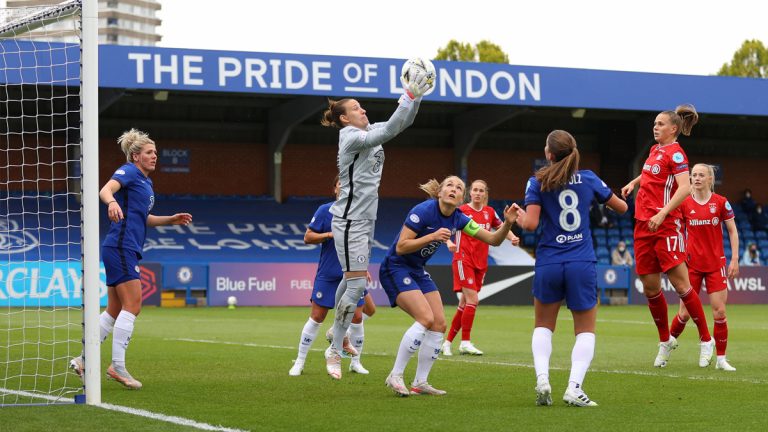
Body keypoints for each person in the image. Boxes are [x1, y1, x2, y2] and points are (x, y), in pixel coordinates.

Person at [320, 69, 431, 380]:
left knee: (350, 279)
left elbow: (402, 122)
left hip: (366, 220)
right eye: (356, 108)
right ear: (344, 119)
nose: (363, 110)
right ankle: (334, 349)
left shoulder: (366, 128)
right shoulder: (351, 137)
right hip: (348, 220)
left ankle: (336, 331)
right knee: (356, 285)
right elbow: (388, 131)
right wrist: (408, 95)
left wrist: (416, 96)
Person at [70, 129, 192, 389]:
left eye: (156, 152)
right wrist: (111, 202)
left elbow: (142, 218)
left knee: (114, 309)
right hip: (121, 246)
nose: (155, 156)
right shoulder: (130, 171)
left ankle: (82, 360)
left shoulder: (146, 183)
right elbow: (106, 190)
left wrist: (170, 219)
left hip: (124, 247)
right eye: (150, 152)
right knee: (133, 305)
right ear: (136, 156)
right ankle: (117, 366)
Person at [515, 130, 627, 407]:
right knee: (585, 330)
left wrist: (514, 215)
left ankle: (543, 379)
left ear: (549, 154)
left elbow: (529, 225)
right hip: (581, 261)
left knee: (543, 326)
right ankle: (574, 388)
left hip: (549, 261)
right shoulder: (589, 178)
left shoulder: (536, 181)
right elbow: (622, 208)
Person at [380, 176, 518, 396]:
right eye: (450, 185)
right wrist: (432, 236)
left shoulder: (458, 219)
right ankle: (395, 375)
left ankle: (420, 382)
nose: (454, 189)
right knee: (425, 319)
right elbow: (401, 247)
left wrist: (509, 223)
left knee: (439, 324)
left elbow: (493, 240)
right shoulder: (423, 211)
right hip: (395, 267)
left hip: (416, 269)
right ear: (440, 192)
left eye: (459, 187)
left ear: (461, 197)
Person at [621, 104, 714, 369]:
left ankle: (706, 339)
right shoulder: (655, 150)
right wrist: (634, 182)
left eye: (661, 124)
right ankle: (665, 341)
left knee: (682, 286)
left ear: (674, 129)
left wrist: (662, 213)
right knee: (651, 287)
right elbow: (650, 172)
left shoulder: (676, 154)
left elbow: (684, 188)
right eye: (654, 123)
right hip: (643, 224)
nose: (655, 127)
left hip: (665, 225)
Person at [288, 177, 376, 377]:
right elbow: (308, 237)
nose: (345, 188)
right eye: (341, 184)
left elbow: (361, 243)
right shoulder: (324, 211)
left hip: (353, 272)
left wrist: (363, 266)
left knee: (357, 317)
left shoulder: (359, 213)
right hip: (328, 274)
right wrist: (329, 235)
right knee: (317, 316)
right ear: (335, 188)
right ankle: (299, 362)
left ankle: (355, 362)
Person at [672, 163, 739, 371]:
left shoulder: (721, 202)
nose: (697, 178)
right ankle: (667, 343)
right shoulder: (683, 203)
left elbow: (732, 231)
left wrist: (735, 259)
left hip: (715, 265)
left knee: (719, 312)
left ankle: (721, 359)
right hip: (691, 265)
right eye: (694, 175)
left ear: (710, 179)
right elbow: (674, 230)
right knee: (683, 313)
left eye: (701, 175)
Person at [442, 179, 519, 356]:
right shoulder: (461, 211)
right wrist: (448, 241)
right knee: (472, 300)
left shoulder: (489, 212)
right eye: (475, 190)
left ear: (485, 194)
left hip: (480, 263)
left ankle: (447, 343)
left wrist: (513, 237)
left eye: (481, 190)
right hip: (463, 259)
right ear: (470, 193)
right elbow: (444, 226)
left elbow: (502, 227)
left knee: (464, 303)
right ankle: (465, 342)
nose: (477, 193)